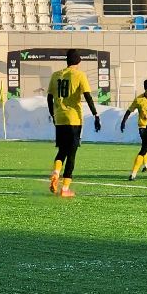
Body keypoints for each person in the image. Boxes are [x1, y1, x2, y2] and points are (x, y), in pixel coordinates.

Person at [47, 49, 101, 197]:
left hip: (60, 119)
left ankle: (56, 173)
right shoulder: (79, 75)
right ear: (78, 61)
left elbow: (49, 98)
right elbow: (88, 96)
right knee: (72, 154)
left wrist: (53, 114)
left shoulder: (55, 75)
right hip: (74, 119)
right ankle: (65, 189)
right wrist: (96, 114)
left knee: (62, 151)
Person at [121, 78, 147, 173]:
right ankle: (145, 165)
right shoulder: (139, 99)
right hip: (143, 126)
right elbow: (129, 110)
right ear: (145, 89)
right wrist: (123, 121)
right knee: (145, 145)